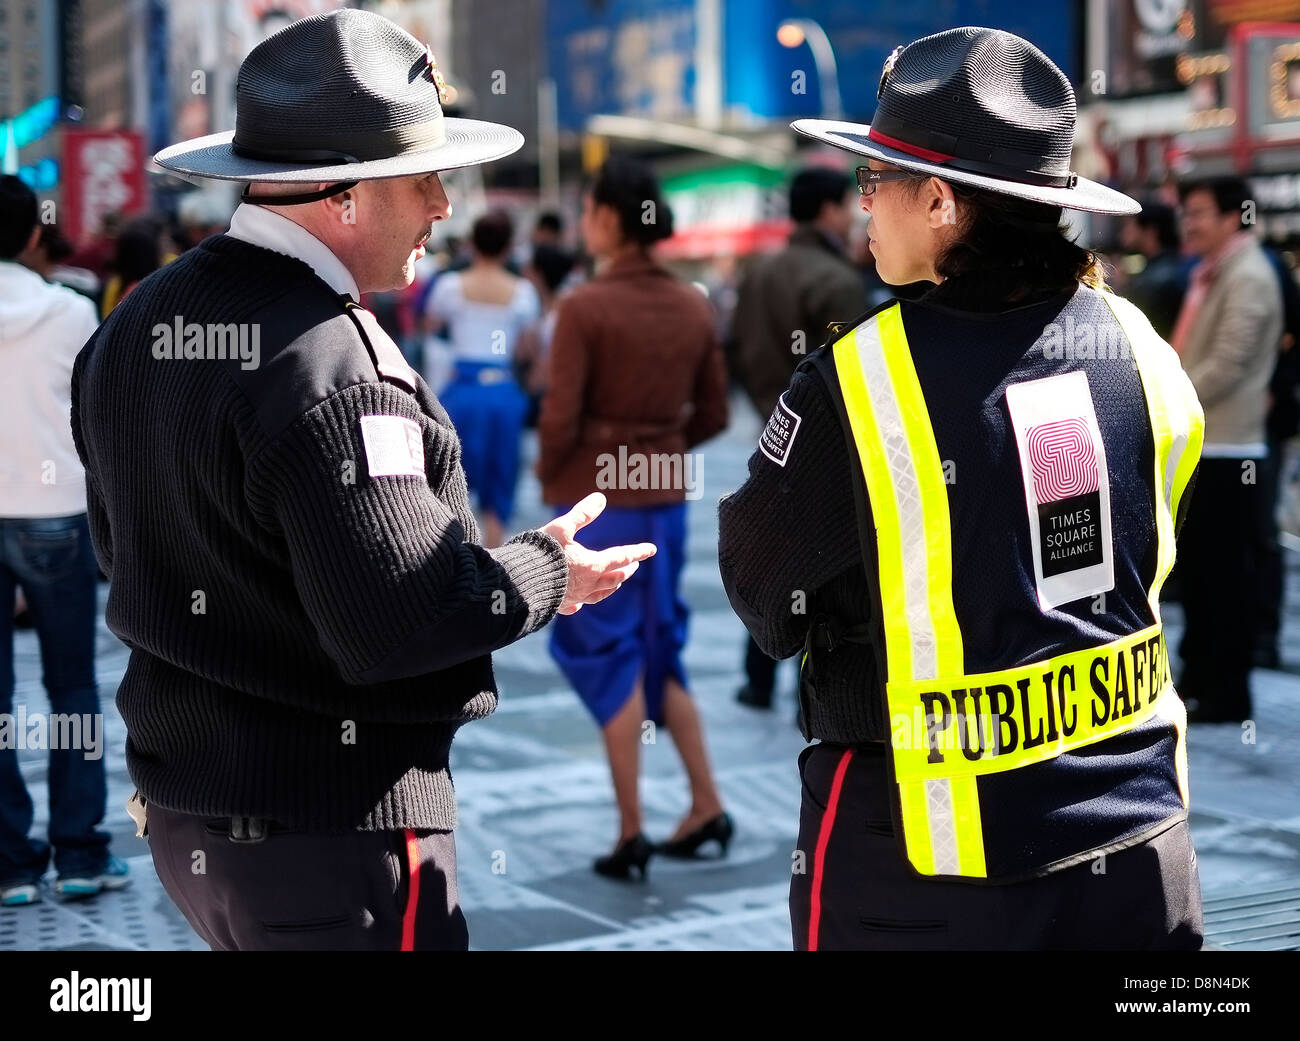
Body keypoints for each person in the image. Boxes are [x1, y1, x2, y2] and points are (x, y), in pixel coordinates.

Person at [71, 9, 653, 951]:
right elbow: (400, 619)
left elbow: (122, 542)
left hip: (190, 821)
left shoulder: (137, 321)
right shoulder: (336, 371)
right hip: (333, 834)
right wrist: (547, 570)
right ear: (341, 195)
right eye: (424, 178)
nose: (443, 206)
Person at [719, 27, 1206, 950]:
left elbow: (760, 595)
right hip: (1141, 835)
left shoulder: (857, 380)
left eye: (875, 181)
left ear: (939, 200)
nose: (863, 207)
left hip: (919, 852)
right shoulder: (1142, 345)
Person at [537, 156, 731, 879]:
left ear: (611, 218)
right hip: (665, 500)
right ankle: (705, 801)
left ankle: (630, 830)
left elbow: (559, 419)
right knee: (659, 648)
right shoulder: (692, 303)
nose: (585, 222)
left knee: (605, 653)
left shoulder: (584, 308)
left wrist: (558, 468)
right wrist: (662, 447)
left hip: (596, 500)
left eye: (590, 210)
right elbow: (712, 410)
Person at [0, 174, 128, 906]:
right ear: (31, 235)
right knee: (72, 688)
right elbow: (97, 412)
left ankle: (11, 862)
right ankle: (79, 851)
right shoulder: (72, 310)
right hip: (53, 509)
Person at [729, 167, 866, 713]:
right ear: (829, 211)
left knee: (774, 556)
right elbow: (859, 372)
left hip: (772, 427)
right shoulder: (837, 279)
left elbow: (734, 347)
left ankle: (758, 681)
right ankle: (813, 687)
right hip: (832, 444)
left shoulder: (760, 271)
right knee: (830, 566)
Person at [1171, 177, 1283, 722]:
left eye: (1198, 213)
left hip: (1230, 450)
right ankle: (1200, 681)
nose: (1188, 224)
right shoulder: (1216, 272)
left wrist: (1167, 397)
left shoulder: (1249, 275)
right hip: (1209, 444)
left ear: (1232, 215)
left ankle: (1224, 694)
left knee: (1224, 580)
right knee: (1201, 578)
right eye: (1186, 213)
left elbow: (1229, 363)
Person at [427, 210, 541, 548]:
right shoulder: (522, 292)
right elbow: (527, 348)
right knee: (500, 479)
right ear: (508, 249)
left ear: (472, 245)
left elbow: (430, 328)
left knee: (450, 478)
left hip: (461, 389)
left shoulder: (449, 286)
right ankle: (492, 559)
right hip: (502, 391)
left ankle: (454, 557)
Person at [1118, 199, 1186, 341]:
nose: (1124, 232)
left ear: (1150, 231)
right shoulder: (1173, 268)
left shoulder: (1156, 282)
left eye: (1130, 225)